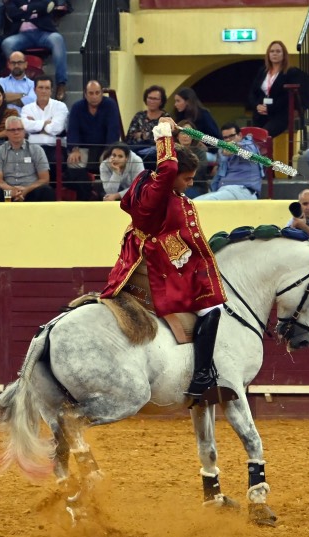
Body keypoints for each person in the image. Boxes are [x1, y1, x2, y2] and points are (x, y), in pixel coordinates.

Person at [100, 117, 228, 401]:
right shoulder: (157, 192)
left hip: (157, 258)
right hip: (161, 266)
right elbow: (168, 166)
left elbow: (167, 167)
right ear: (170, 175)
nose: (191, 184)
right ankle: (202, 376)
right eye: (187, 178)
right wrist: (164, 132)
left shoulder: (148, 184)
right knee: (212, 308)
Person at [2, 0, 68, 100]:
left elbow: (47, 5)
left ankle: (61, 83)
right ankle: (24, 80)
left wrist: (26, 9)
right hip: (23, 35)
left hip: (43, 33)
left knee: (57, 39)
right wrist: (35, 11)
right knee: (7, 44)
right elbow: (13, 13)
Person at [66, 80, 121, 200]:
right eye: (91, 93)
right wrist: (74, 149)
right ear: (85, 94)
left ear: (102, 93)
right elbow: (73, 130)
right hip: (82, 148)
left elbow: (113, 131)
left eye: (97, 93)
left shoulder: (110, 105)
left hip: (104, 148)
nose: (94, 96)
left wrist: (108, 151)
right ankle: (86, 196)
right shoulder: (77, 107)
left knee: (112, 162)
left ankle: (105, 196)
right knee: (73, 163)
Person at [0, 116, 55, 201]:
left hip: (30, 191)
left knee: (47, 191)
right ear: (6, 132)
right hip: (8, 192)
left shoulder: (36, 149)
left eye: (19, 129)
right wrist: (11, 190)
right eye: (12, 130)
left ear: (24, 131)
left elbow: (44, 179)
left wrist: (26, 190)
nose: (16, 132)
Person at [195, 122, 263, 201]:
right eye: (225, 137)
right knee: (194, 202)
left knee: (204, 202)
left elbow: (244, 149)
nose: (228, 139)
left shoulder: (249, 145)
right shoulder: (222, 150)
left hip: (243, 191)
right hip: (224, 191)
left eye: (231, 136)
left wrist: (233, 148)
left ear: (240, 135)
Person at [247, 40, 300, 138]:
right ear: (268, 54)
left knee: (263, 136)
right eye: (272, 51)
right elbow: (253, 92)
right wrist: (257, 106)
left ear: (284, 55)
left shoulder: (290, 72)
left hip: (279, 114)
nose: (274, 54)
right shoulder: (262, 71)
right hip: (260, 114)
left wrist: (270, 108)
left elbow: (287, 96)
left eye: (278, 51)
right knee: (256, 139)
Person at [20, 75, 68, 165]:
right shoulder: (26, 109)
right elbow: (25, 127)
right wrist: (45, 123)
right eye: (40, 88)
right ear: (34, 90)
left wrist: (35, 126)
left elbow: (57, 129)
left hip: (55, 148)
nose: (43, 91)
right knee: (25, 162)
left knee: (56, 160)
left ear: (51, 91)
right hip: (32, 148)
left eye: (47, 88)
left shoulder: (60, 106)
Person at [125, 84, 167, 156]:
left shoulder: (165, 118)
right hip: (136, 152)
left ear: (161, 101)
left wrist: (141, 135)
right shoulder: (139, 116)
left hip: (156, 155)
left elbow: (162, 139)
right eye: (150, 98)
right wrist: (147, 136)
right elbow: (130, 137)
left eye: (155, 99)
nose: (152, 101)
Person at [175, 121, 209, 199]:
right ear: (177, 136)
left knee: (178, 196)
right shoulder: (172, 151)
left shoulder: (200, 152)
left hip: (194, 186)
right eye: (183, 133)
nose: (186, 136)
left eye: (189, 133)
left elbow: (199, 172)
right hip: (175, 185)